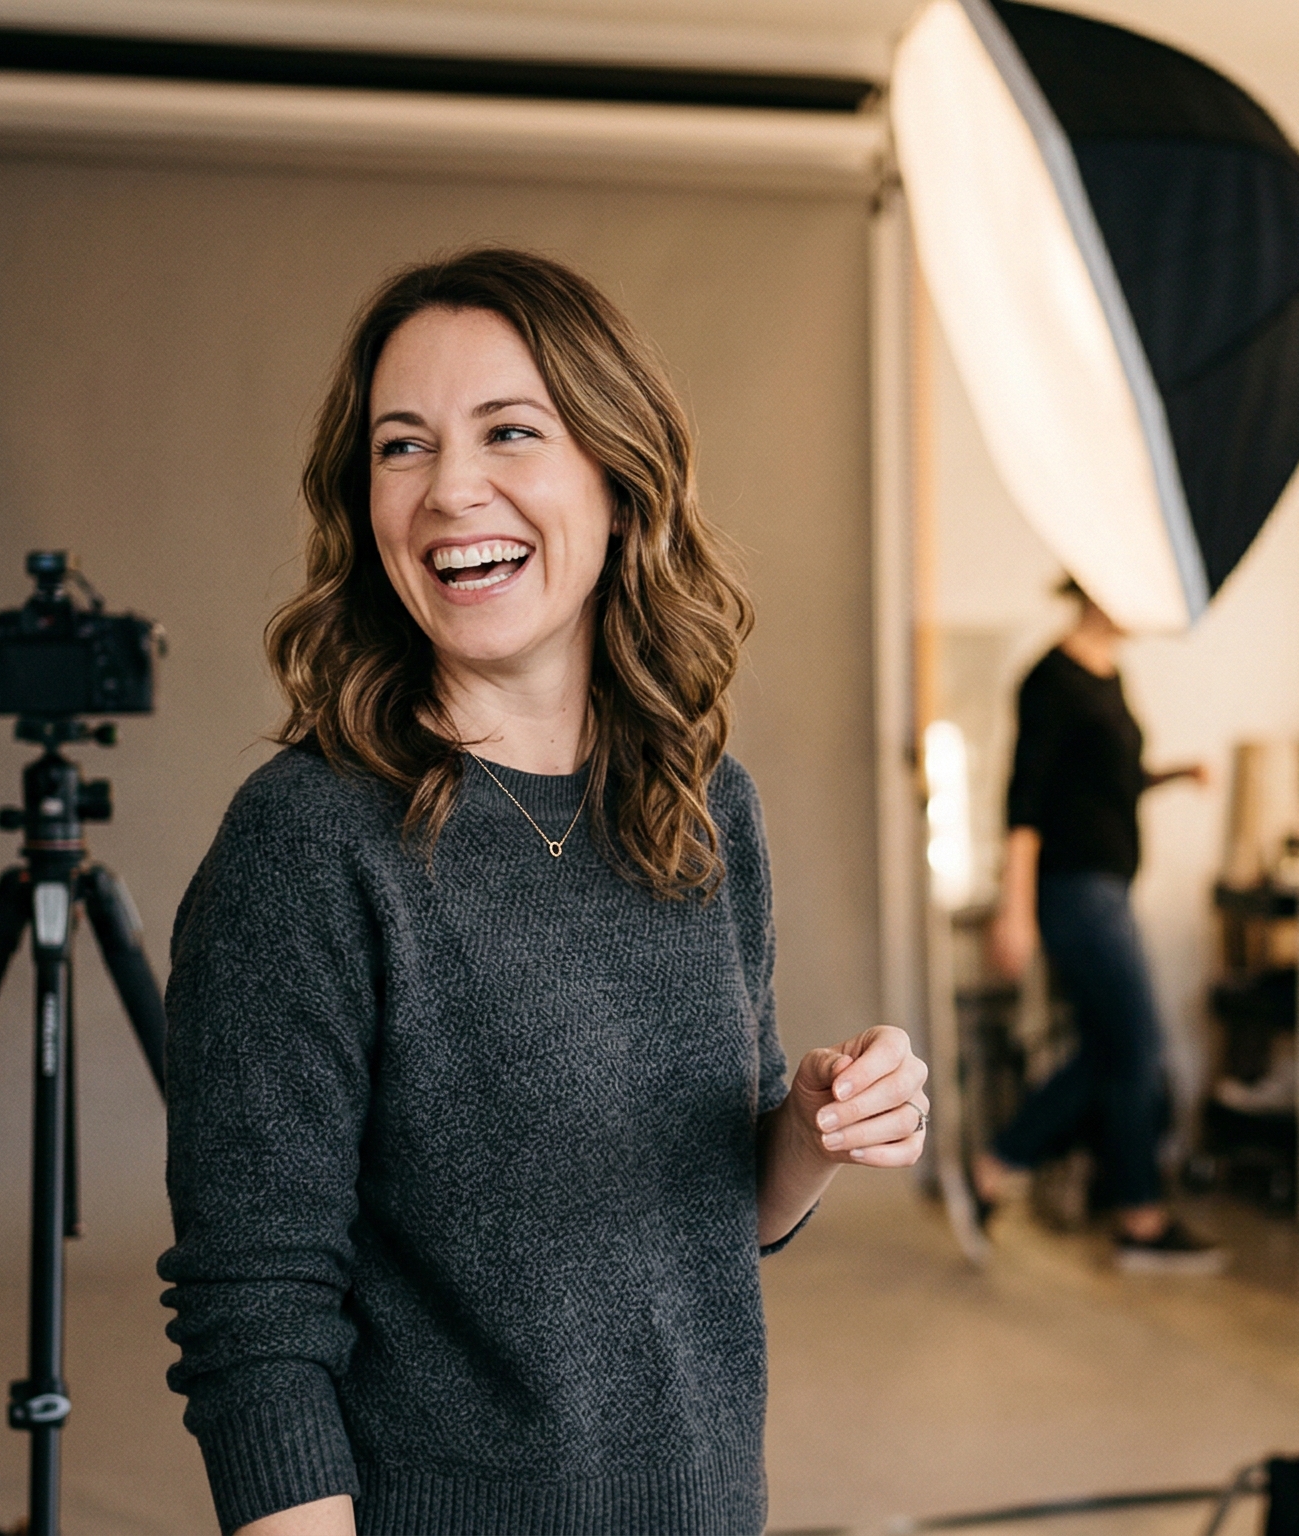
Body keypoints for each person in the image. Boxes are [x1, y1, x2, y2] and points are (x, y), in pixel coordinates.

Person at [157, 248, 930, 1536]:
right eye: (402, 447)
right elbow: (257, 1317)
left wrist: (810, 1125)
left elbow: (716, 1224)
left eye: (509, 431)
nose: (451, 489)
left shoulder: (699, 801)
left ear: (618, 484)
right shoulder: (303, 844)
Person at [969, 581, 1217, 1272]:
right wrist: (1013, 910)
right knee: (1136, 1048)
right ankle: (1139, 1218)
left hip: (1106, 890)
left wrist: (1175, 775)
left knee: (1111, 1051)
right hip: (1071, 892)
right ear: (1098, 592)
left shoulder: (1111, 676)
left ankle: (995, 1166)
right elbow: (1025, 803)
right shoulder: (1049, 679)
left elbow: (1116, 781)